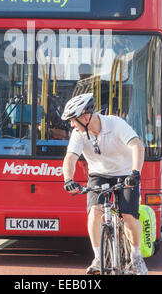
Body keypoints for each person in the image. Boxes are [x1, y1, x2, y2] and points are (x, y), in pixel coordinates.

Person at [61, 93, 148, 275]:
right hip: (98, 174)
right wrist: (68, 179)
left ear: (86, 118)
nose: (71, 124)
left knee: (128, 215)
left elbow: (137, 146)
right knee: (95, 211)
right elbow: (70, 158)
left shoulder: (115, 124)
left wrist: (135, 173)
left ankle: (136, 257)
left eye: (73, 120)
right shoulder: (78, 133)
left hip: (125, 173)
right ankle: (98, 258)